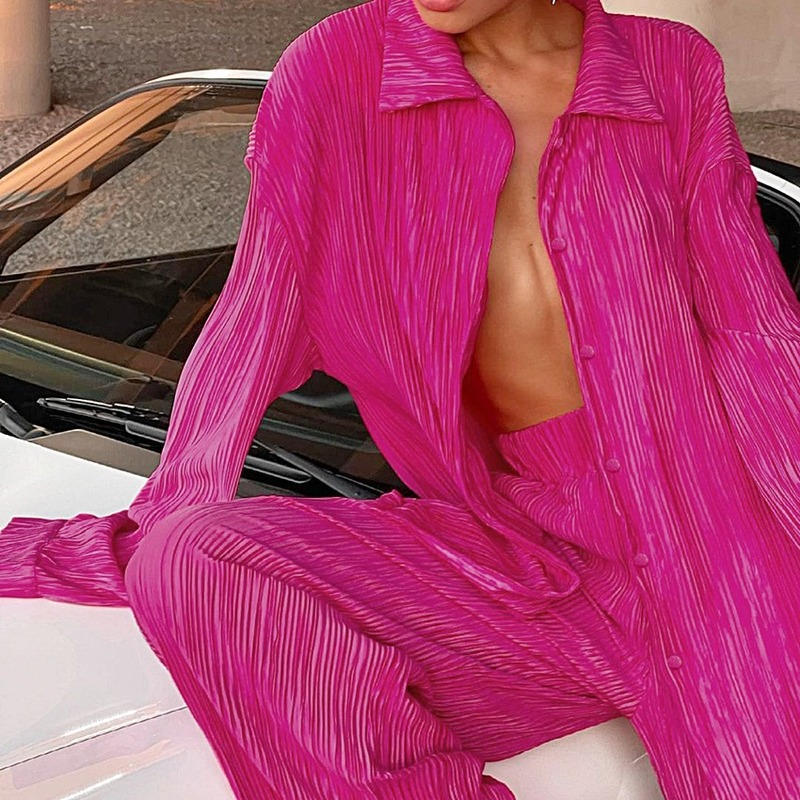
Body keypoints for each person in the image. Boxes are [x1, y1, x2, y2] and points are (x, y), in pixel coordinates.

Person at [2, 0, 799, 797]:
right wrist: (160, 513)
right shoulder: (339, 71)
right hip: (525, 553)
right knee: (196, 559)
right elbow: (259, 308)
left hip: (719, 531)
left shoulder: (671, 69)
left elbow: (756, 330)